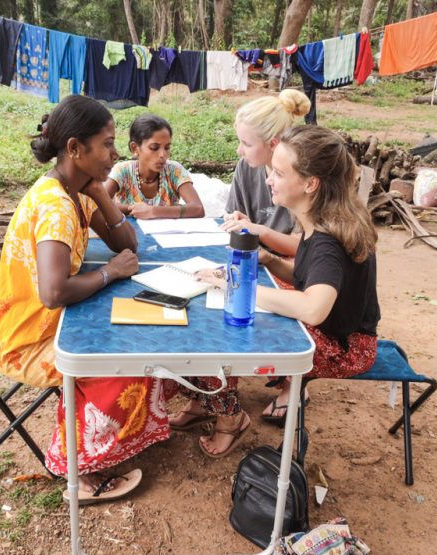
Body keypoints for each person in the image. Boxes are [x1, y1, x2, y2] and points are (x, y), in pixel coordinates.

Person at [0, 96, 172, 504]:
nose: (115, 153)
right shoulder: (55, 206)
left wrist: (99, 194)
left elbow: (128, 243)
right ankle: (81, 472)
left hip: (48, 321)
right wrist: (110, 273)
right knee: (128, 363)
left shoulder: (75, 191)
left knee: (144, 343)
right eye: (106, 144)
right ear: (74, 148)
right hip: (26, 339)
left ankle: (101, 443)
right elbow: (53, 293)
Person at [169, 125, 380, 455]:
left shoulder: (326, 241)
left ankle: (228, 418)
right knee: (228, 316)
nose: (269, 179)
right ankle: (206, 400)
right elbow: (306, 275)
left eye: (279, 173)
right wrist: (267, 259)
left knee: (224, 336)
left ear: (311, 184)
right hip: (342, 333)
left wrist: (235, 286)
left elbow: (314, 308)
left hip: (345, 348)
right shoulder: (326, 218)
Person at [221, 89, 311, 258]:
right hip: (259, 256)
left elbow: (304, 246)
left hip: (291, 265)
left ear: (273, 144)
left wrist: (259, 231)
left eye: (246, 144)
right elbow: (237, 215)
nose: (239, 150)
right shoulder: (246, 167)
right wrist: (239, 221)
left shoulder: (301, 176)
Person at [104, 114, 205, 219]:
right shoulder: (123, 171)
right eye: (154, 148)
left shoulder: (174, 171)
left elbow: (198, 208)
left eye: (167, 148)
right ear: (135, 148)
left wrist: (153, 211)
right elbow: (99, 204)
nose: (162, 155)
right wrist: (133, 208)